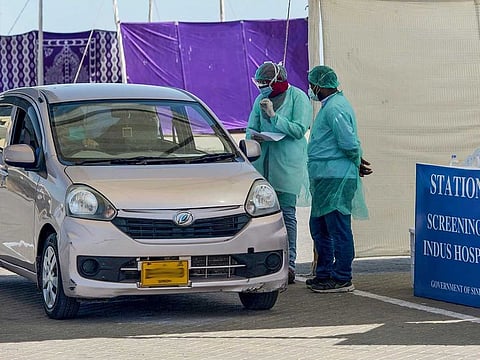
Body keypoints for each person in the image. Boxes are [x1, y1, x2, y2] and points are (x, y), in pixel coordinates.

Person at [306, 65, 372, 293]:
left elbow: (348, 142)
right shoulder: (329, 107)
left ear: (320, 86)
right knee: (320, 227)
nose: (310, 89)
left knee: (338, 228)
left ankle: (342, 276)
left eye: (312, 85)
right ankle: (324, 272)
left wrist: (356, 160)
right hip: (325, 176)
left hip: (336, 176)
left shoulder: (335, 108)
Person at [246, 61, 312, 284]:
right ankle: (267, 262)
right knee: (264, 217)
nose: (262, 87)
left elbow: (299, 129)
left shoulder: (298, 98)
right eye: (260, 83)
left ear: (277, 81)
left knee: (287, 214)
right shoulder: (260, 100)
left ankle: (290, 264)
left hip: (287, 164)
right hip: (264, 163)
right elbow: (251, 126)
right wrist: (252, 137)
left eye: (265, 83)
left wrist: (275, 118)